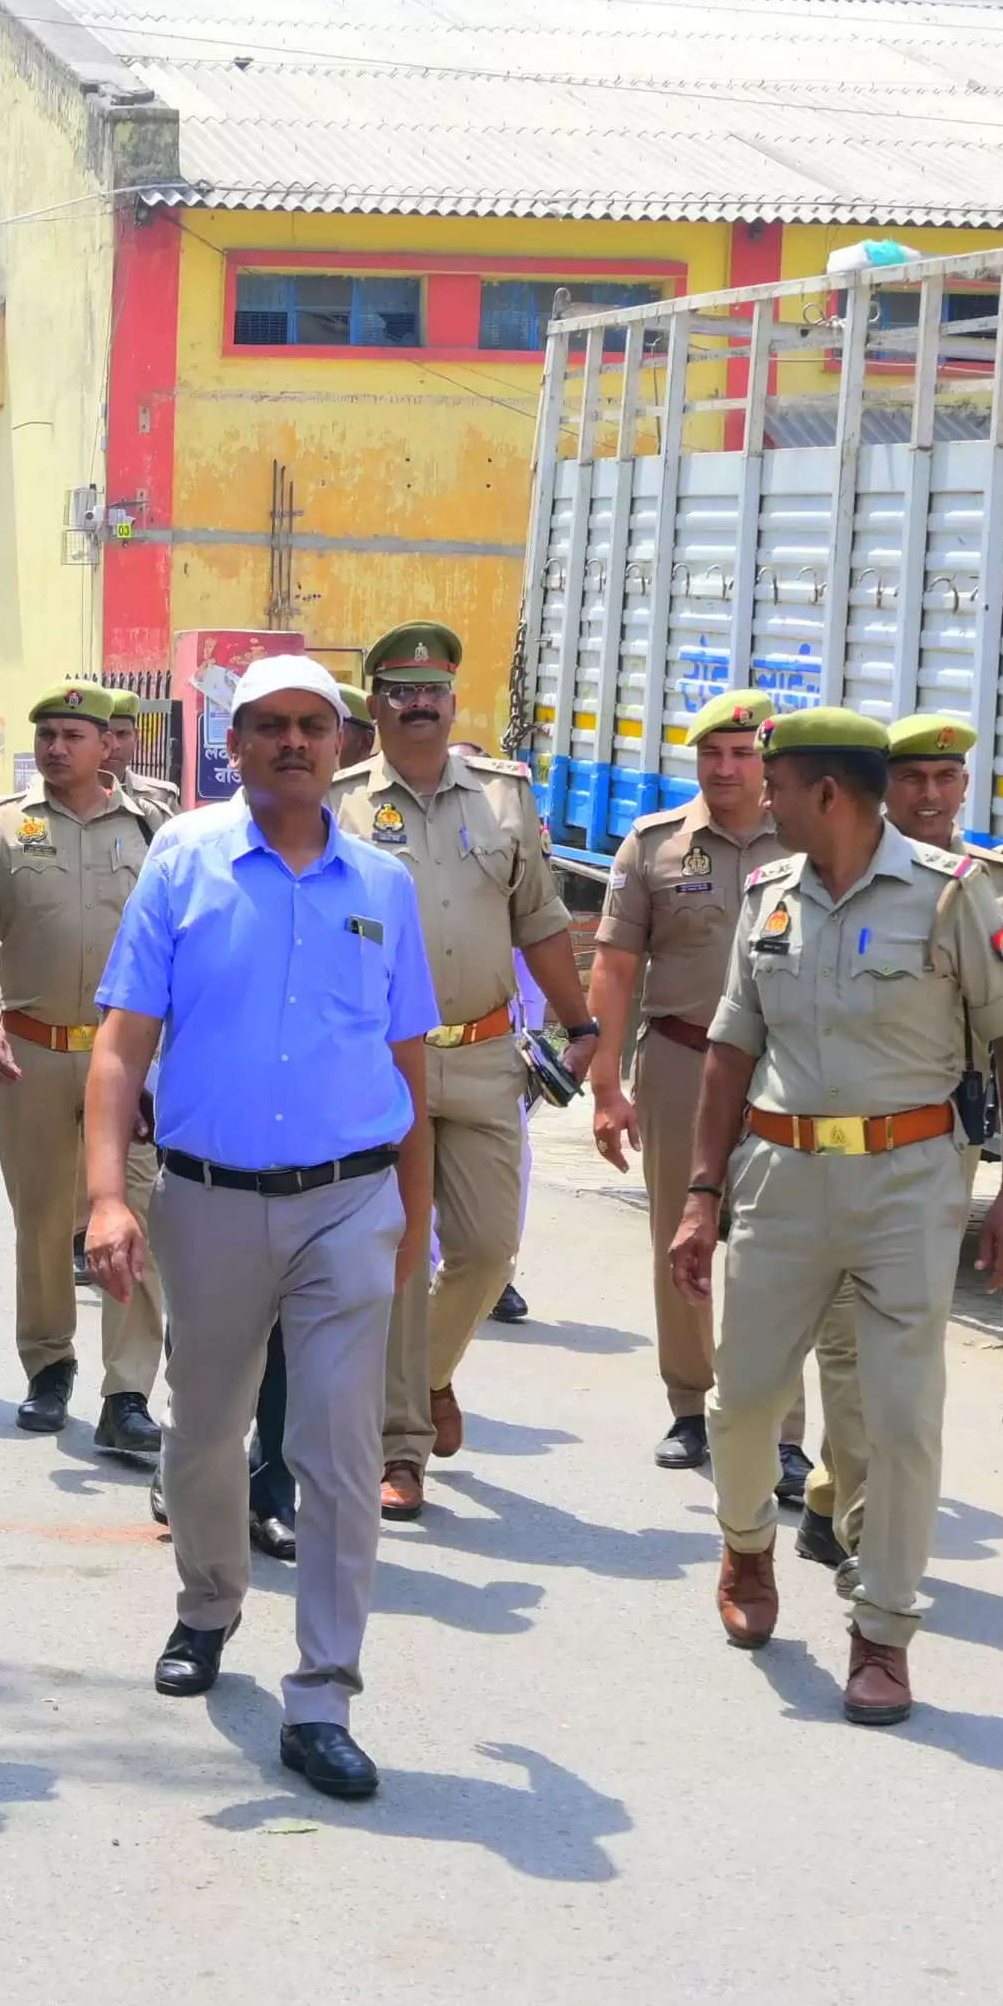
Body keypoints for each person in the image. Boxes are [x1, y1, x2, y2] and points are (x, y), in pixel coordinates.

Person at [84, 653, 434, 1805]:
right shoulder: (181, 860)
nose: (292, 743)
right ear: (233, 745)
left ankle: (324, 1691)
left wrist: (412, 1221)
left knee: (331, 1449)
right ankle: (207, 1605)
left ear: (341, 745)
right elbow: (122, 1043)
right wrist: (104, 1195)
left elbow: (406, 1062)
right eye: (268, 726)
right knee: (204, 1435)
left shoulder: (382, 884)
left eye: (313, 726)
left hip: (347, 1201)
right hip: (208, 1199)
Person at [668, 708, 1003, 1726]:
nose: (761, 797)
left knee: (897, 1417)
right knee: (741, 1402)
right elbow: (728, 1051)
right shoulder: (768, 896)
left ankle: (880, 1630)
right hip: (780, 1180)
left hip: (906, 1186)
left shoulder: (952, 895)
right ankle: (745, 1545)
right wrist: (701, 1196)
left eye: (775, 782)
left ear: (824, 793)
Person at [333, 622, 598, 1523]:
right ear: (375, 707)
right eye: (400, 692)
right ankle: (399, 1447)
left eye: (433, 692)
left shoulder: (504, 800)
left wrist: (583, 1020)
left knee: (487, 1249)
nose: (418, 705)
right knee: (402, 1256)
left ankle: (430, 1373)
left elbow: (542, 921)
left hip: (486, 1053)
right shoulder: (341, 808)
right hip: (380, 1063)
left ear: (453, 703)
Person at [797, 708, 1003, 1572]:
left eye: (947, 777)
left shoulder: (993, 881)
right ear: (883, 786)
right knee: (845, 1333)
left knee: (903, 1342)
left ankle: (841, 1502)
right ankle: (857, 1514)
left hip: (941, 1139)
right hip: (833, 1139)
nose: (930, 794)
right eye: (912, 778)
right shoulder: (835, 871)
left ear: (966, 783)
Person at [0, 683, 168, 1455]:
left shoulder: (154, 828)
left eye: (72, 733)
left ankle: (129, 1389)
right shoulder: (1, 830)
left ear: (108, 744)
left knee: (133, 1214)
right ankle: (48, 1364)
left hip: (128, 1058)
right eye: (46, 733)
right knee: (41, 1221)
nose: (55, 747)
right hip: (32, 1055)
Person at [588, 688, 804, 1477]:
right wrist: (608, 1085)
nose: (724, 768)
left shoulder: (808, 842)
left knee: (780, 1247)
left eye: (742, 754)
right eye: (710, 753)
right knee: (680, 1238)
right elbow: (614, 967)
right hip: (681, 1062)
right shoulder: (653, 846)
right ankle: (691, 1406)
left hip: (784, 1068)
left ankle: (783, 1429)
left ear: (768, 761)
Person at [99, 688, 183, 817]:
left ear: (136, 736)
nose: (115, 745)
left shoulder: (161, 797)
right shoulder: (65, 795)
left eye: (123, 734)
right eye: (105, 735)